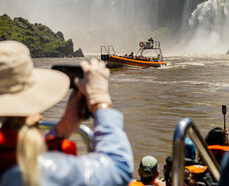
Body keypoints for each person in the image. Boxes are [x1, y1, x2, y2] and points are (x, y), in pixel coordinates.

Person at [0, 40, 133, 186]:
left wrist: (64, 127)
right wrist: (100, 99)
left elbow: (11, 150)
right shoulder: (40, 171)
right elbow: (118, 167)